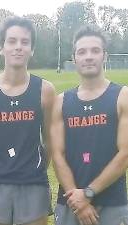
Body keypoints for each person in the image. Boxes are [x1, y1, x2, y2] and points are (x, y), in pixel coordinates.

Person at [0, 16, 55, 225]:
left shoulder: (45, 90)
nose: (18, 47)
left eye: (25, 42)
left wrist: (34, 168)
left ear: (32, 49)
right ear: (1, 48)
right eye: (12, 41)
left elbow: (50, 141)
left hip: (33, 183)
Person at [51, 25, 128, 225]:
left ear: (105, 56)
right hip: (71, 202)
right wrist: (78, 200)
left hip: (111, 202)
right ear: (74, 58)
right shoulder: (61, 101)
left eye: (95, 50)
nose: (88, 56)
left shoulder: (122, 96)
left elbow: (125, 153)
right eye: (82, 52)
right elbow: (57, 154)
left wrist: (88, 193)